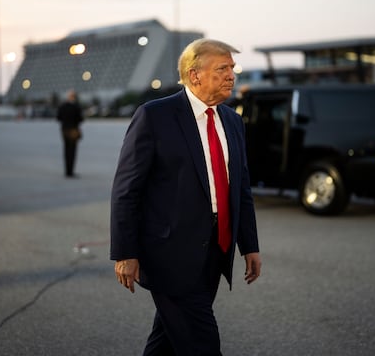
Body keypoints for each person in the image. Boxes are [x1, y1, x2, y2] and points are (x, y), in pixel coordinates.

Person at [110, 38, 262, 355]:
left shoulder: (233, 121)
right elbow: (127, 189)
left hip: (215, 252)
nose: (232, 76)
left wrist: (249, 245)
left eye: (232, 68)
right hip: (169, 256)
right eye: (222, 69)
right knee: (202, 344)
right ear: (194, 75)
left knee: (167, 339)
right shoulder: (155, 116)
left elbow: (241, 189)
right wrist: (125, 252)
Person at [56, 90, 84, 178]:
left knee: (66, 150)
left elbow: (58, 118)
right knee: (72, 151)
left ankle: (67, 171)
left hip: (64, 130)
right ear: (74, 97)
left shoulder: (63, 106)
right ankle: (71, 171)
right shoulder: (76, 107)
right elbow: (80, 119)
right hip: (73, 130)